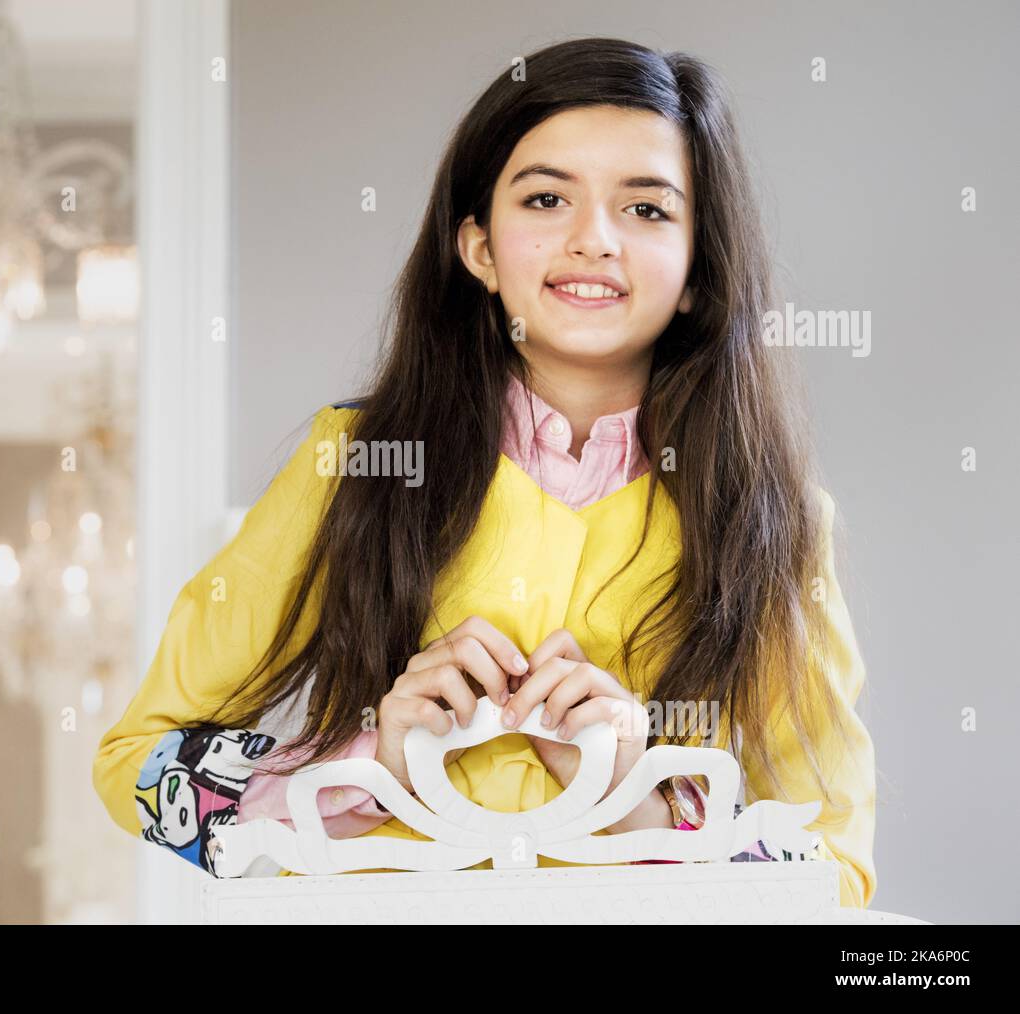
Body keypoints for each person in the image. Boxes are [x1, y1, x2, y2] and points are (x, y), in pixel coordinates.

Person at [93, 36, 877, 907]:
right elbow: (136, 766)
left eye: (647, 210)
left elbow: (833, 882)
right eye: (546, 198)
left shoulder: (774, 524)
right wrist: (371, 767)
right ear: (478, 249)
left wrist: (639, 800)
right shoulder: (351, 468)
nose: (593, 240)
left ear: (698, 269)